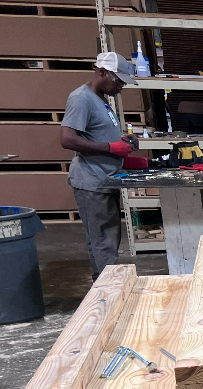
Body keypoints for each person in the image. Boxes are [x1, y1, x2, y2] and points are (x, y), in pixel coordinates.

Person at [60, 52, 138, 279]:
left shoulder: (100, 98)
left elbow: (96, 133)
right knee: (104, 240)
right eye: (118, 81)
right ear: (101, 72)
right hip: (92, 180)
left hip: (105, 178)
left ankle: (101, 287)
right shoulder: (81, 99)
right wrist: (111, 148)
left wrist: (120, 140)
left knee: (102, 238)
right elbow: (67, 139)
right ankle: (108, 293)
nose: (121, 87)